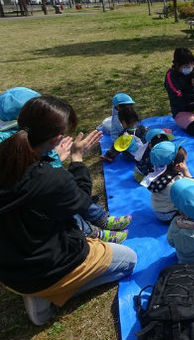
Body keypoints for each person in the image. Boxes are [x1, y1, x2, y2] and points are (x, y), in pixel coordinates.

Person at [0, 95, 137, 326]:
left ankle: (39, 287)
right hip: (45, 267)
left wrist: (56, 162)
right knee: (129, 261)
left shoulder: (8, 155)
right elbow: (80, 201)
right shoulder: (51, 179)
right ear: (56, 139)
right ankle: (48, 295)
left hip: (8, 268)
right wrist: (76, 159)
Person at [0, 87, 132, 243]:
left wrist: (55, 156)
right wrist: (74, 158)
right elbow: (70, 195)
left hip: (28, 212)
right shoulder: (34, 160)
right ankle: (93, 233)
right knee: (66, 212)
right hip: (34, 228)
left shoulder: (24, 139)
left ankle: (99, 219)